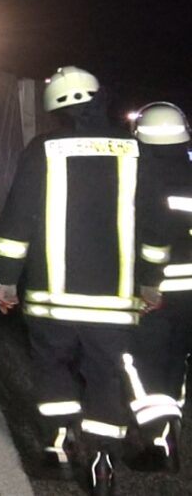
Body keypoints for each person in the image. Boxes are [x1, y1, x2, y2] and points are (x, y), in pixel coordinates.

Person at [0, 66, 151, 495]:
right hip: (115, 302)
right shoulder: (136, 149)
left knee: (52, 368)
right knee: (106, 376)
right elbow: (152, 224)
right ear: (100, 97)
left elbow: (18, 219)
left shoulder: (43, 148)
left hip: (51, 299)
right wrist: (151, 281)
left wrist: (5, 281)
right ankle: (102, 459)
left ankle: (60, 446)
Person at [124, 102, 192, 471]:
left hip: (157, 290)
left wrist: (146, 284)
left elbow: (148, 238)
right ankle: (170, 427)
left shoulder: (143, 177)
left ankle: (158, 441)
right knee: (174, 361)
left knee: (139, 362)